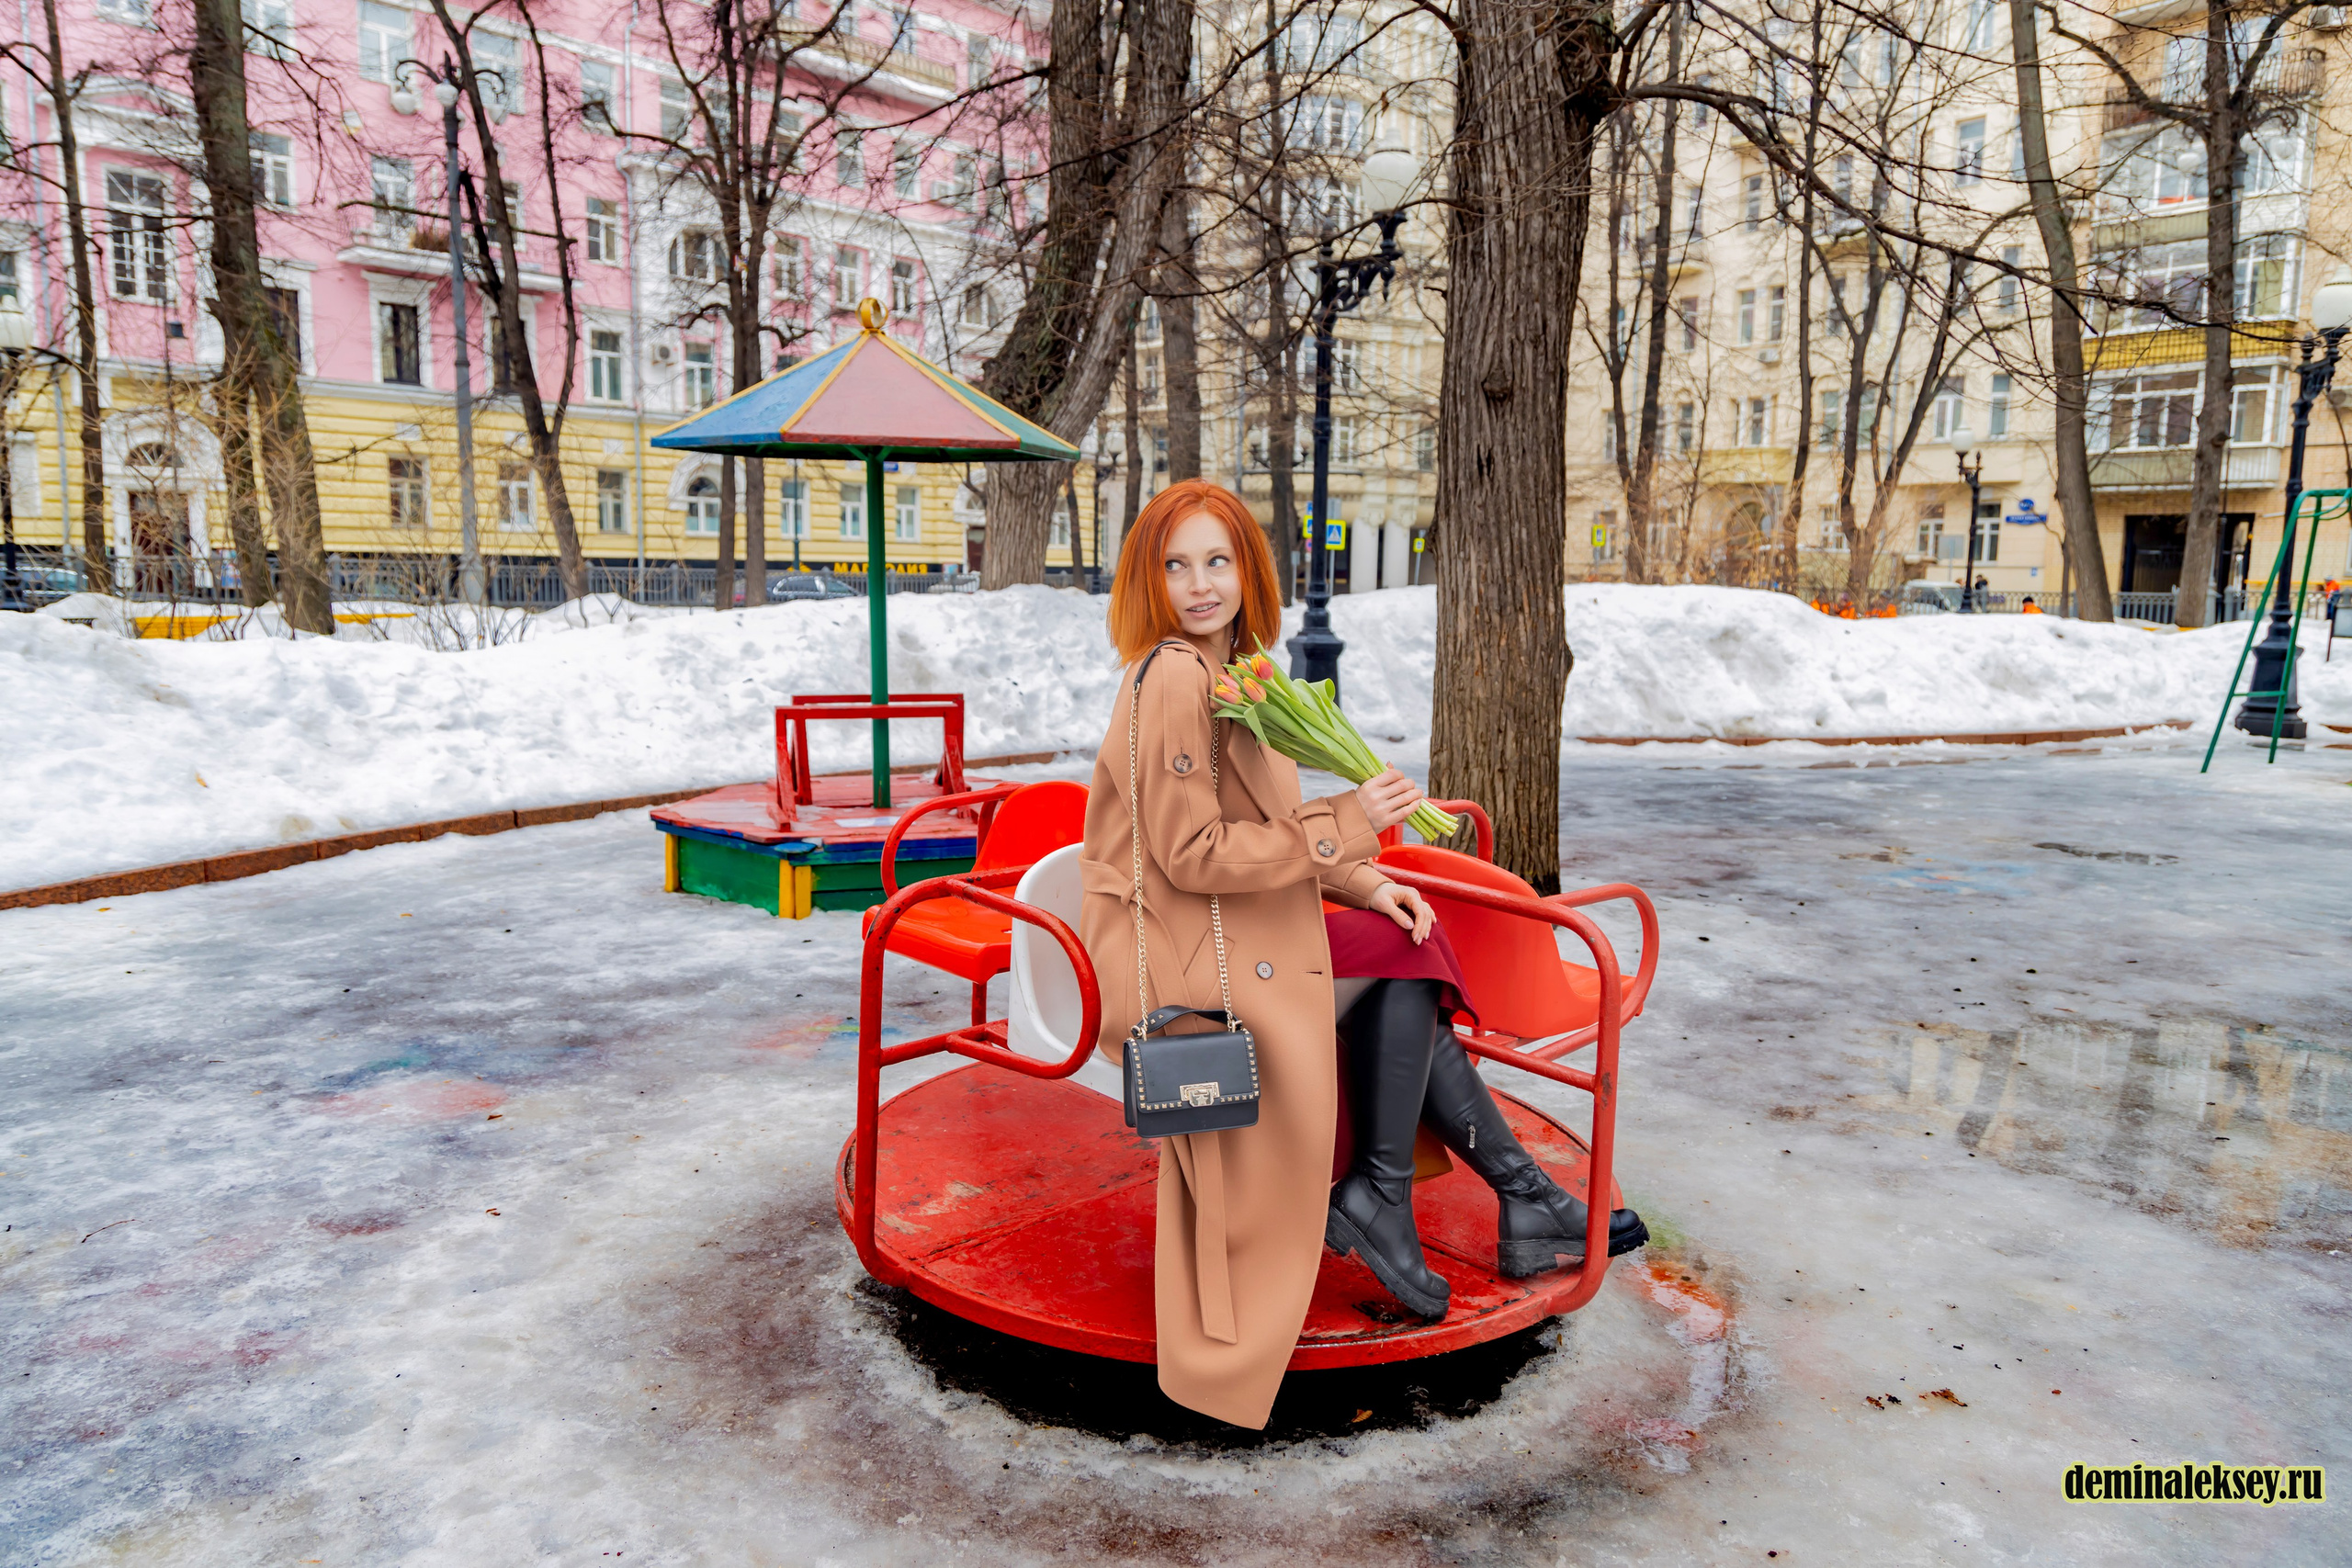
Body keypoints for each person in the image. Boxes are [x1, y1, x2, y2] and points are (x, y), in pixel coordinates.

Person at [1079, 479, 1645, 1429]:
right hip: (1180, 957)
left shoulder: (1235, 671)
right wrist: (1352, 824)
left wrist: (1362, 878)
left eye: (1218, 560)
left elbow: (1257, 828)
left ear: (1247, 570)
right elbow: (1190, 855)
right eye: (1175, 566)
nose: (1199, 583)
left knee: (1402, 943)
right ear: (1149, 581)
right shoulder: (1173, 677)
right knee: (1406, 965)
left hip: (1222, 922)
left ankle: (1416, 1198)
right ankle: (1487, 1196)